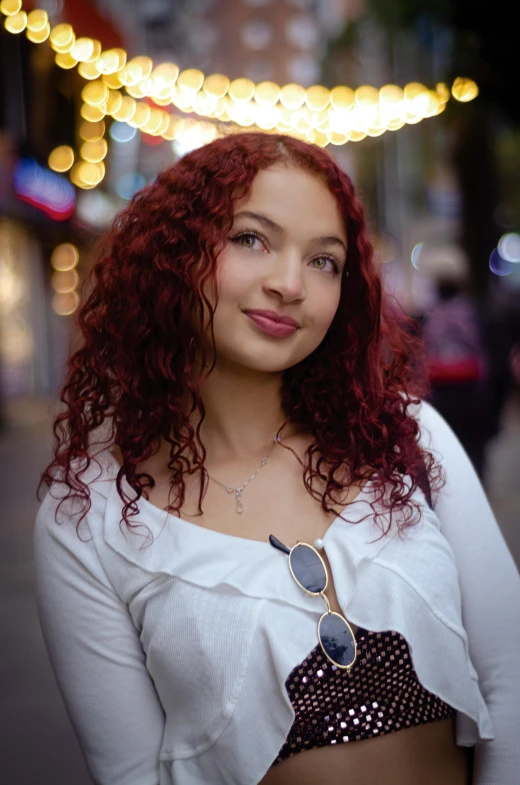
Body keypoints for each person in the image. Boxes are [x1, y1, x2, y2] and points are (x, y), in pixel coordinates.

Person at [33, 131, 519, 785]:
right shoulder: (87, 513)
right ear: (174, 253)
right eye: (251, 239)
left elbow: (511, 680)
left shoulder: (408, 437)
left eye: (324, 261)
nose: (290, 284)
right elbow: (132, 772)